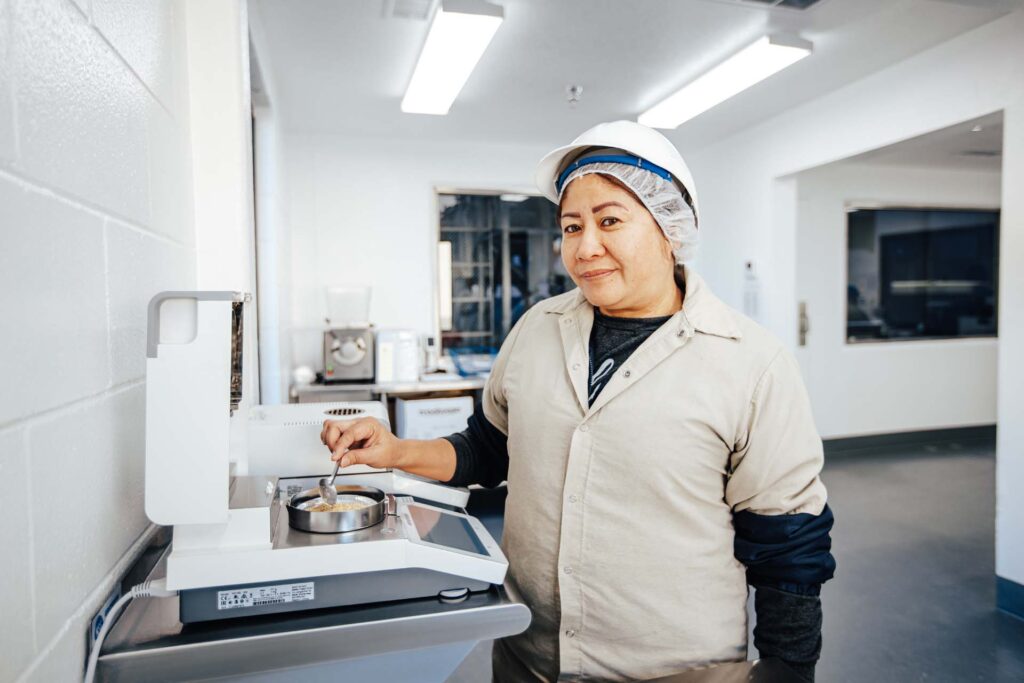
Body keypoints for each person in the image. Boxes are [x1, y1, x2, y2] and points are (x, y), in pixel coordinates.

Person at [321, 120, 836, 682]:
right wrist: (395, 451)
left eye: (610, 220)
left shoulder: (751, 362)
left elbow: (787, 540)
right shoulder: (537, 329)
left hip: (677, 670)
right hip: (527, 654)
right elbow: (489, 450)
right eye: (571, 227)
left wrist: (789, 667)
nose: (585, 247)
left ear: (670, 228)